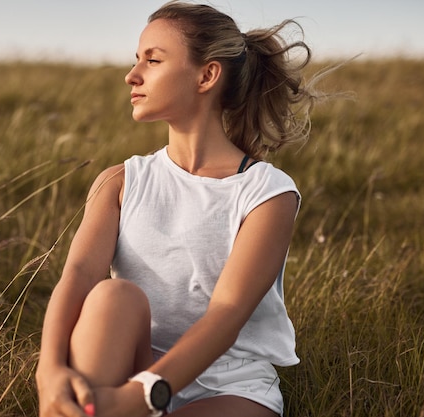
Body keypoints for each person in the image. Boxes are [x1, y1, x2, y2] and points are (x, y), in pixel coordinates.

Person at [35, 1, 321, 416]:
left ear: (206, 75)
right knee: (113, 295)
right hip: (128, 371)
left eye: (153, 60)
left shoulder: (267, 192)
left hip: (228, 387)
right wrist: (50, 369)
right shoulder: (120, 182)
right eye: (138, 60)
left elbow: (227, 313)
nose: (132, 75)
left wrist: (138, 399)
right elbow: (78, 276)